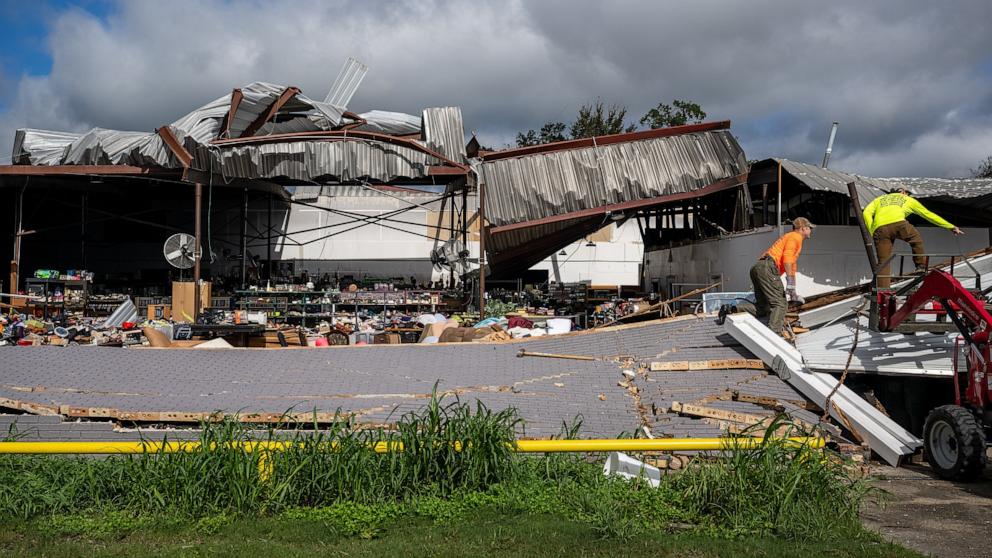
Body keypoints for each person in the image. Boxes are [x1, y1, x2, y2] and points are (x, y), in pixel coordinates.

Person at [721, 218, 815, 336]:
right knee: (780, 304)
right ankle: (773, 336)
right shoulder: (795, 237)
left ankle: (731, 309)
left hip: (758, 268)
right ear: (803, 228)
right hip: (767, 268)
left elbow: (792, 265)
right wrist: (790, 283)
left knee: (762, 308)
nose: (811, 230)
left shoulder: (790, 238)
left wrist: (793, 292)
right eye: (810, 228)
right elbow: (787, 259)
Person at [863, 188, 963, 288]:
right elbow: (928, 214)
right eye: (908, 194)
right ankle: (920, 265)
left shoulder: (879, 199)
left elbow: (866, 212)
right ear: (903, 192)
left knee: (883, 261)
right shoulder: (907, 199)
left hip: (880, 229)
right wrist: (950, 226)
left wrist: (873, 230)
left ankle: (882, 290)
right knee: (915, 239)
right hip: (899, 224)